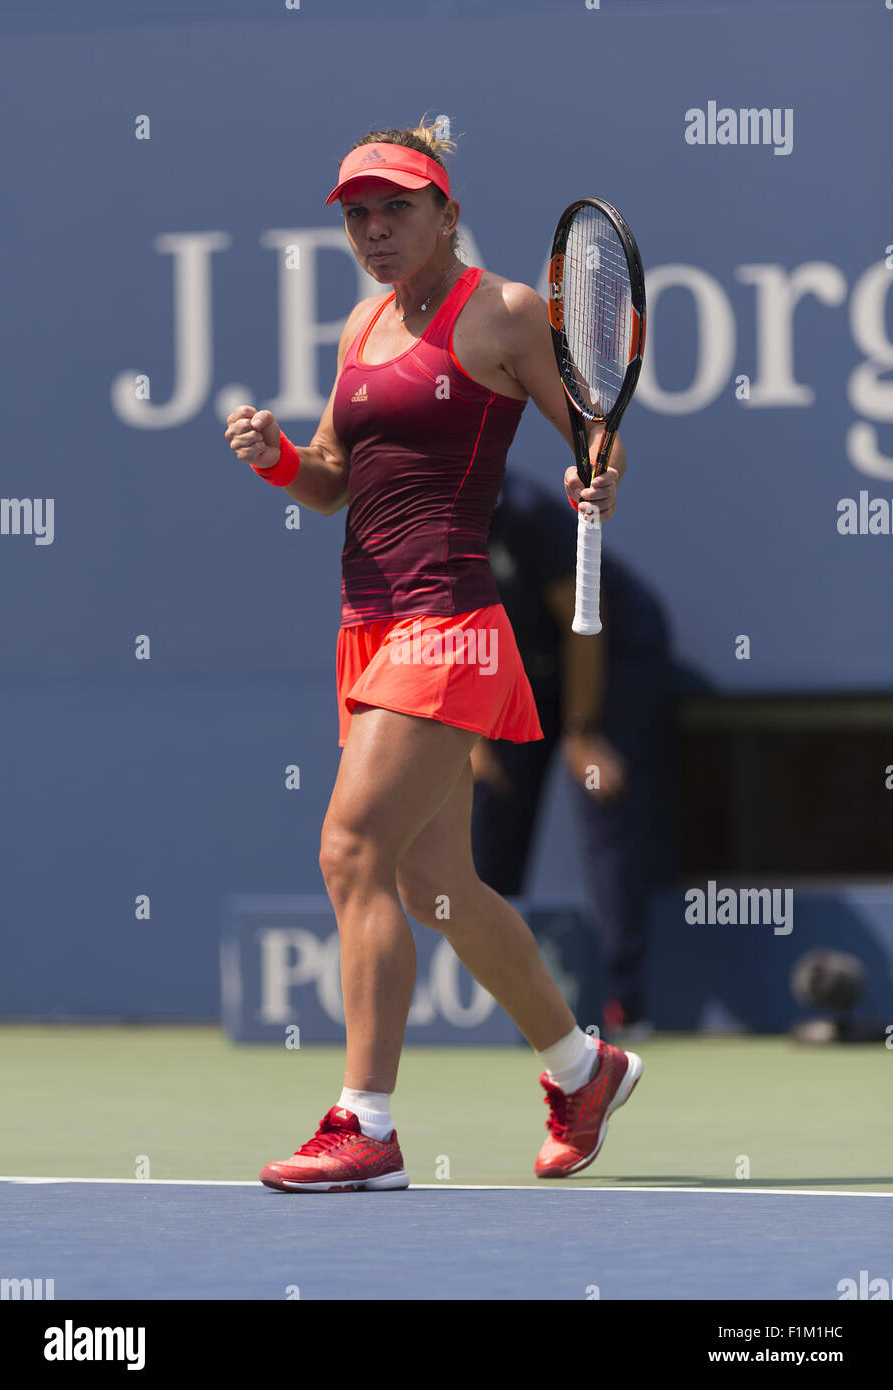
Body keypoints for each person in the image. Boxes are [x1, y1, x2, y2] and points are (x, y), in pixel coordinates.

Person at [224, 120, 642, 1192]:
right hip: (366, 628)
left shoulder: (499, 310)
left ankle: (365, 1124)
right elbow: (332, 479)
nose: (372, 229)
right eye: (357, 214)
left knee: (349, 848)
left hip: (447, 621)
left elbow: (590, 431)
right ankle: (579, 1067)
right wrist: (282, 460)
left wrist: (597, 475)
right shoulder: (362, 324)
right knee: (438, 884)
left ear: (446, 213)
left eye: (394, 208)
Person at [470, 470, 675, 1037]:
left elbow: (583, 619)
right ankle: (494, 999)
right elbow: (458, 633)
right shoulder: (428, 522)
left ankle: (624, 1004)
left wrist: (582, 733)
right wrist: (476, 737)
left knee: (597, 788)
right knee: (491, 793)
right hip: (525, 666)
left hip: (610, 648)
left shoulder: (530, 513)